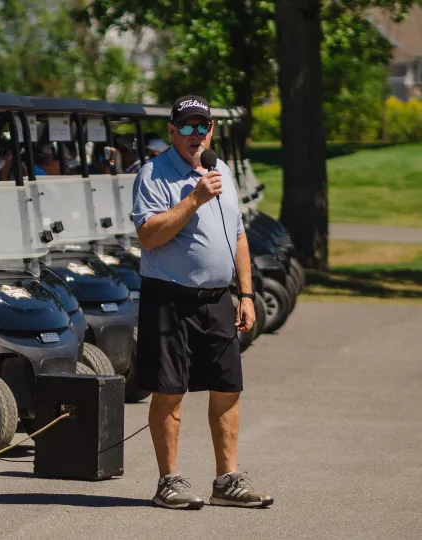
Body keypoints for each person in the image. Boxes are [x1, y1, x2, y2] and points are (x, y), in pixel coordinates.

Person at [131, 94, 272, 510]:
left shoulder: (220, 168)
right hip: (169, 298)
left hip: (217, 299)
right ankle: (168, 481)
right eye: (188, 127)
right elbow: (149, 236)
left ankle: (226, 480)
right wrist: (194, 199)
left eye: (203, 127)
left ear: (211, 130)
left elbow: (239, 235)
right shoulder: (153, 174)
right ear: (172, 131)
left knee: (228, 388)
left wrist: (245, 293)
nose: (196, 135)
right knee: (169, 392)